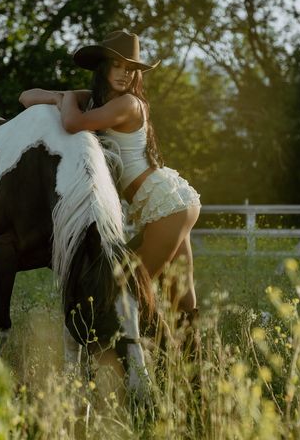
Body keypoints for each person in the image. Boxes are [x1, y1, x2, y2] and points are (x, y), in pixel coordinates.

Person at [19, 29, 201, 320]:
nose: (124, 74)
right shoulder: (99, 100)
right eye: (117, 65)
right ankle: (190, 362)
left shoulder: (128, 104)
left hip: (167, 206)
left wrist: (65, 99)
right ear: (103, 67)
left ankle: (132, 357)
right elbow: (26, 97)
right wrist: (60, 95)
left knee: (126, 292)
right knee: (180, 292)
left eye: (131, 69)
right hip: (171, 203)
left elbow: (72, 123)